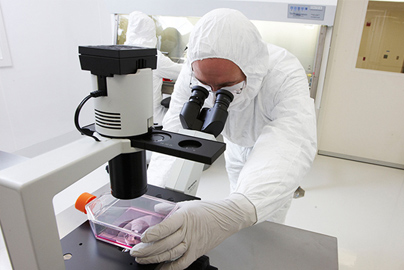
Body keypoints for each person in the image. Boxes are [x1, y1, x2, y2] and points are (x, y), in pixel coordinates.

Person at [130, 8, 317, 270]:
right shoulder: (194, 68)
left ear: (252, 70)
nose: (215, 94)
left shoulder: (284, 73)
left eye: (227, 87)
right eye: (207, 86)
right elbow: (175, 132)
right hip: (236, 147)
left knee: (262, 218)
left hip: (269, 150)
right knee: (235, 200)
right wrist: (157, 201)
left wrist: (238, 210)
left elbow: (291, 139)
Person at [124, 11, 183, 125]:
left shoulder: (121, 53)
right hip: (153, 120)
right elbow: (180, 72)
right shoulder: (154, 57)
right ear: (151, 32)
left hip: (129, 120)